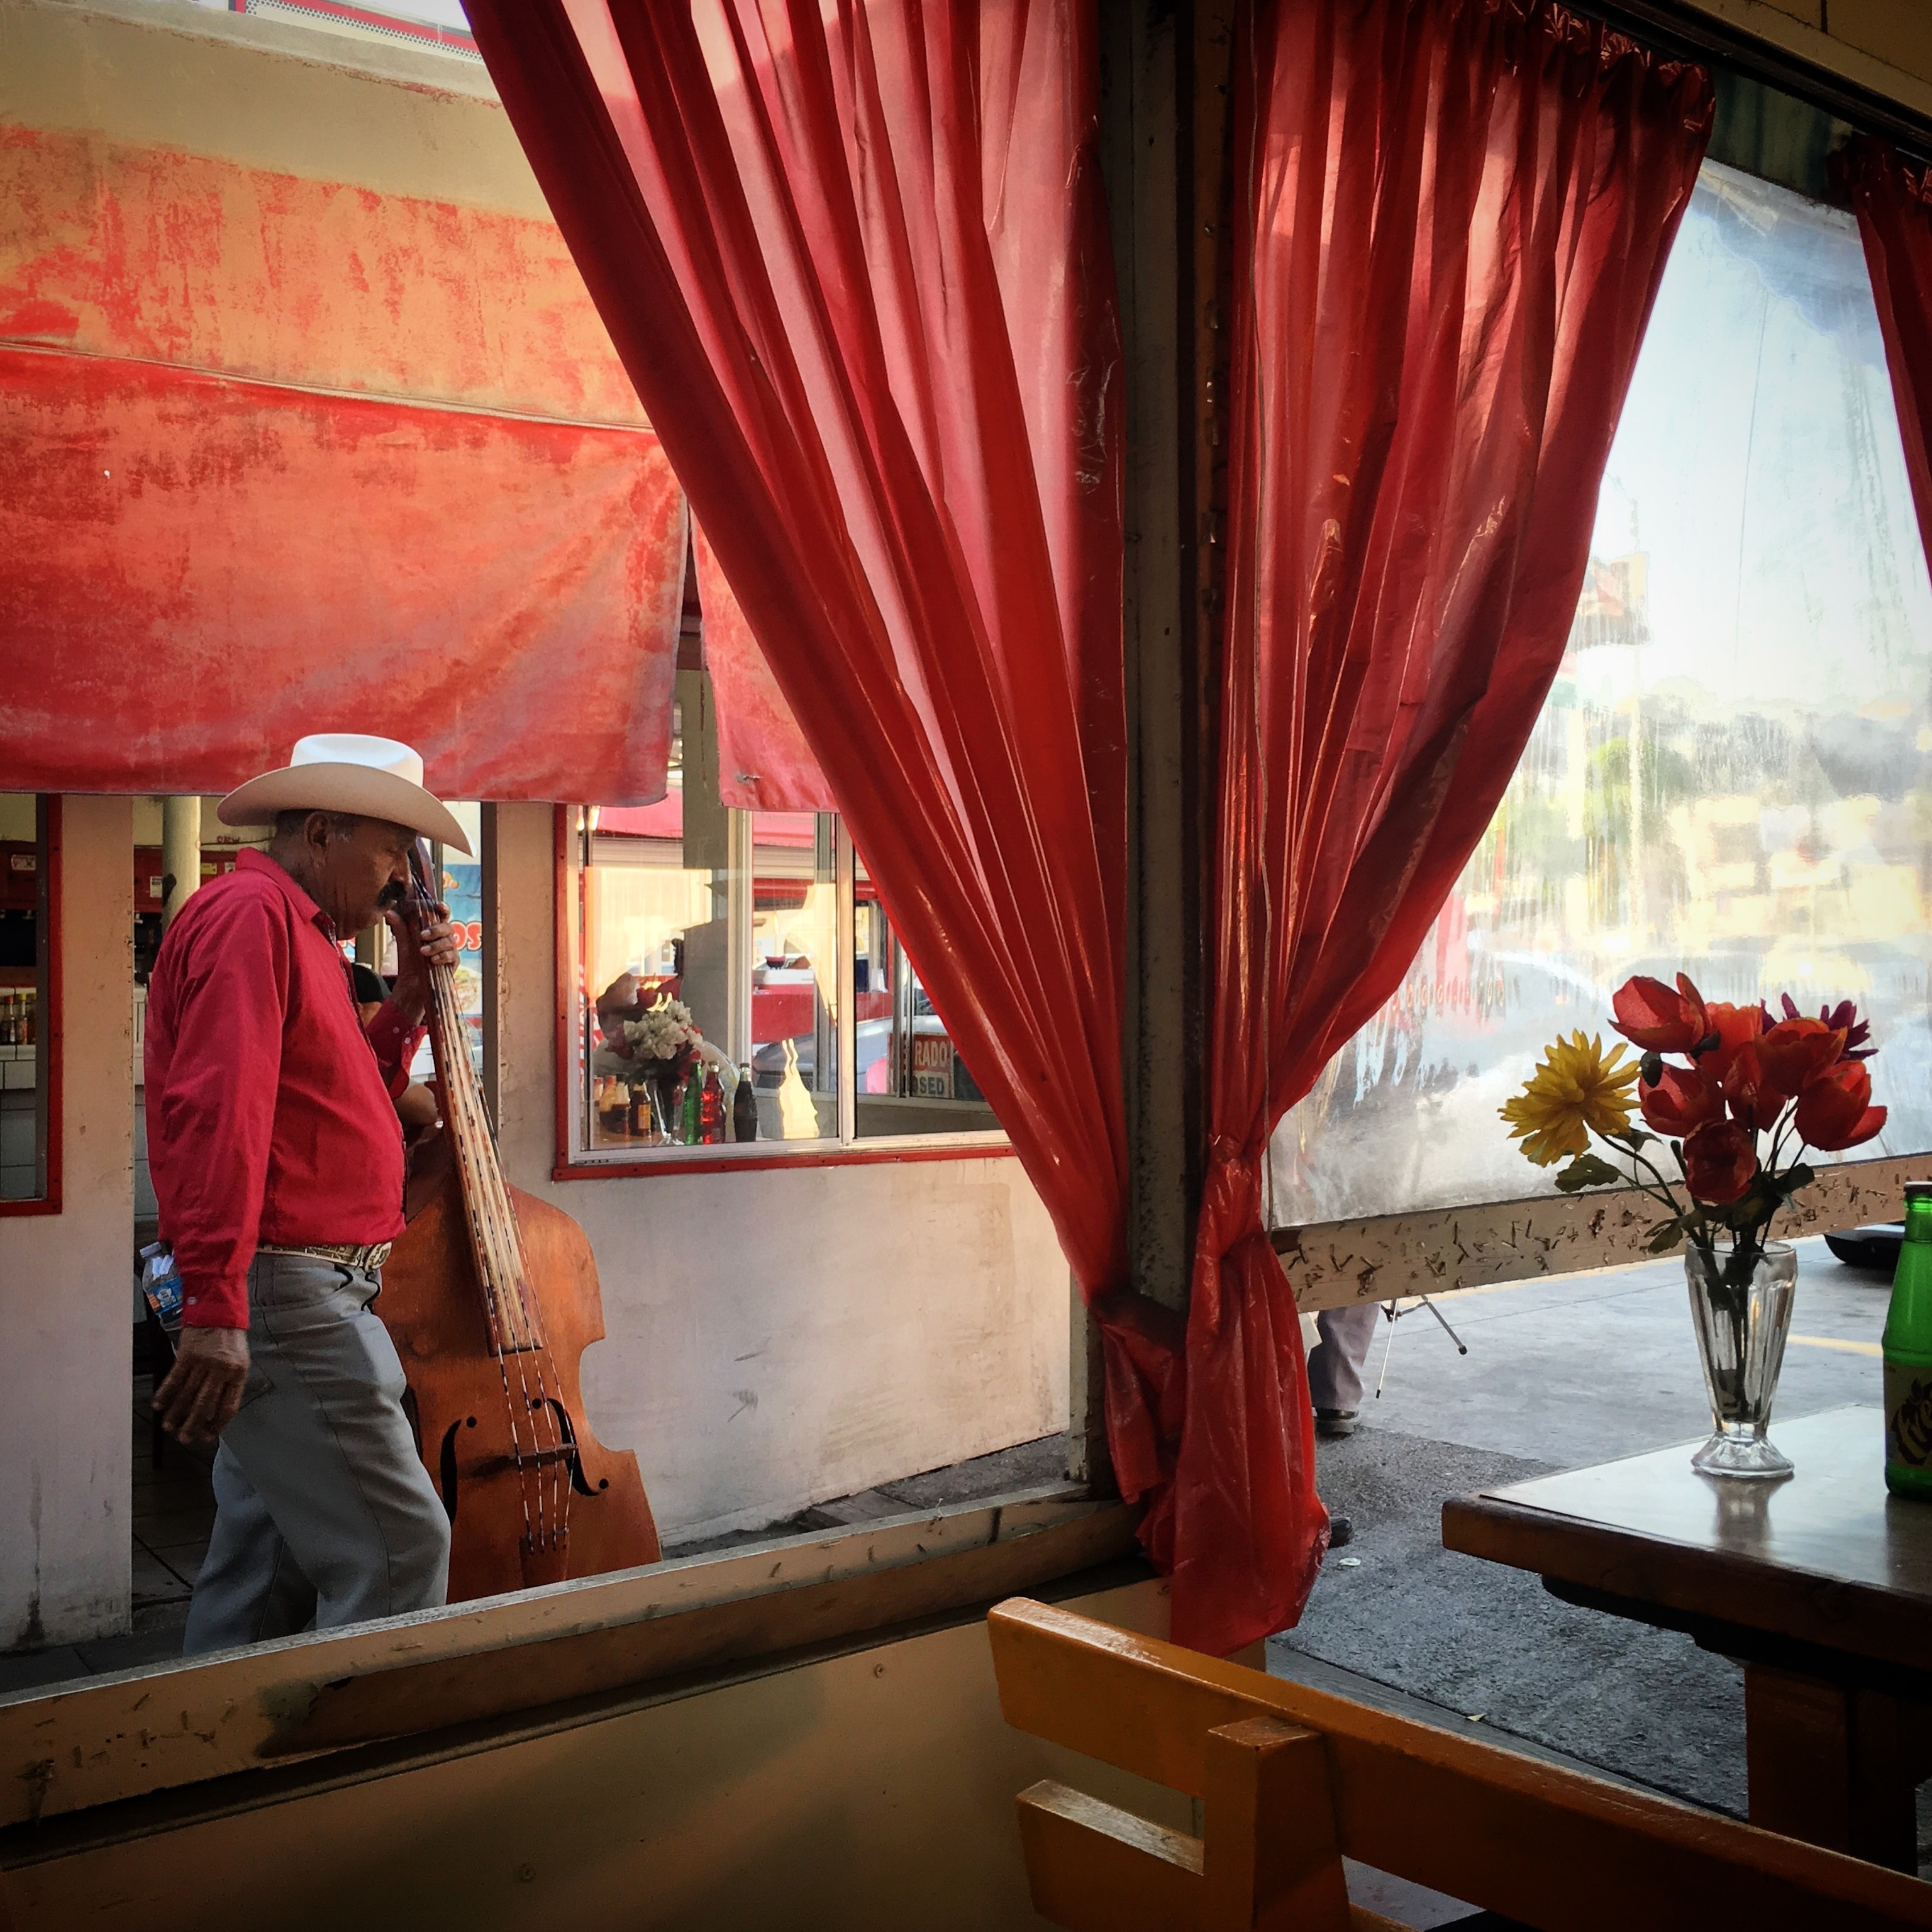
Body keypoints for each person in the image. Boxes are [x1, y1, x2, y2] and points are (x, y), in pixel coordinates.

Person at [146, 733, 469, 1653]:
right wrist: (214, 1305)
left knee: (266, 1567)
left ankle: (219, 1768)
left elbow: (344, 1093)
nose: (405, 879)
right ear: (322, 831)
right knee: (401, 1554)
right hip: (289, 1288)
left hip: (294, 1286)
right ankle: (358, 1785)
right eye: (392, 849)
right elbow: (220, 1114)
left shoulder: (299, 930)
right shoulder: (253, 915)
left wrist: (409, 992)